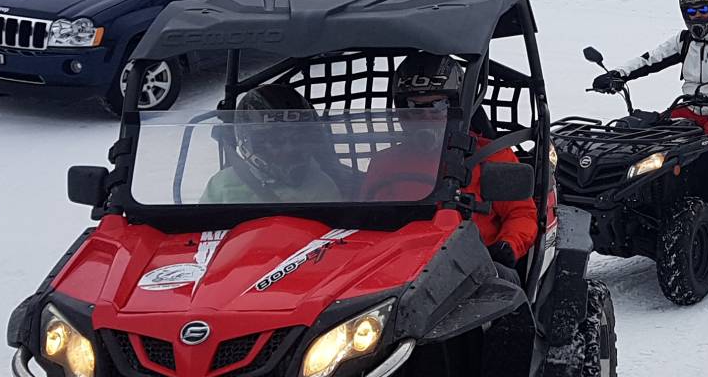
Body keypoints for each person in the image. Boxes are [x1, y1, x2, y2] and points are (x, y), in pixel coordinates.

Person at [364, 53, 538, 270]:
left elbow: (522, 214)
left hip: (477, 268)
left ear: (456, 107)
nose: (425, 117)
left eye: (437, 106)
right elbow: (364, 220)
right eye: (415, 108)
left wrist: (508, 246)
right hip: (401, 266)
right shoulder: (385, 162)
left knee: (503, 286)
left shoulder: (490, 156)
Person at [592, 0, 708, 190]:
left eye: (703, 9)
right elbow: (651, 59)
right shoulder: (685, 39)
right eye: (691, 12)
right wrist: (618, 74)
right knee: (654, 136)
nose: (697, 16)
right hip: (689, 108)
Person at [201, 86, 345, 204]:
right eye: (276, 141)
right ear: (250, 142)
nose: (289, 149)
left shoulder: (321, 187)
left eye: (298, 139)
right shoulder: (222, 186)